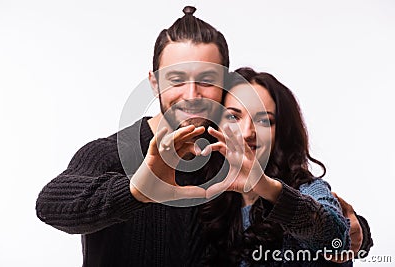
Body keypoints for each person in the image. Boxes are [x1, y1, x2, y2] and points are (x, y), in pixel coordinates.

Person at [35, 6, 372, 267]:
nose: (192, 94)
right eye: (176, 79)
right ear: (154, 82)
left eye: (207, 79)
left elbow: (296, 214)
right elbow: (51, 205)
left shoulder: (230, 152)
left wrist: (357, 229)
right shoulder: (112, 152)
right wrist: (136, 190)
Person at [199, 67, 373, 266]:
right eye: (233, 117)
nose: (247, 132)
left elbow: (335, 241)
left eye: (264, 120)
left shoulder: (309, 190)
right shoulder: (215, 202)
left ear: (281, 132)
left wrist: (267, 187)